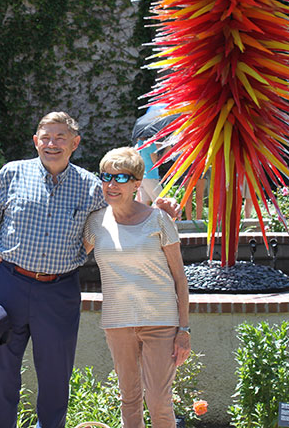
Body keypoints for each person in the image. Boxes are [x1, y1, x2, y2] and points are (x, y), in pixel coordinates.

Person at [0, 112, 179, 428]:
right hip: (10, 283)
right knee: (2, 371)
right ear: (36, 141)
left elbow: (124, 213)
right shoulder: (12, 173)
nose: (52, 144)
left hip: (59, 291)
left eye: (60, 138)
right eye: (46, 137)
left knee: (56, 375)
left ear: (75, 143)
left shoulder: (92, 187)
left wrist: (158, 209)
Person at [84, 147, 191, 428]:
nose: (111, 184)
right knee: (129, 399)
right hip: (117, 323)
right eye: (106, 176)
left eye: (121, 178)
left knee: (158, 400)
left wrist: (184, 330)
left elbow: (180, 279)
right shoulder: (95, 222)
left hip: (160, 322)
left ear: (136, 184)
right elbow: (69, 258)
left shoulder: (159, 219)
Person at [135, 137, 163, 205]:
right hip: (151, 176)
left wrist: (164, 144)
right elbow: (155, 163)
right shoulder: (151, 145)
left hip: (142, 177)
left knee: (144, 204)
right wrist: (162, 156)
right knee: (161, 201)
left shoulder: (138, 145)